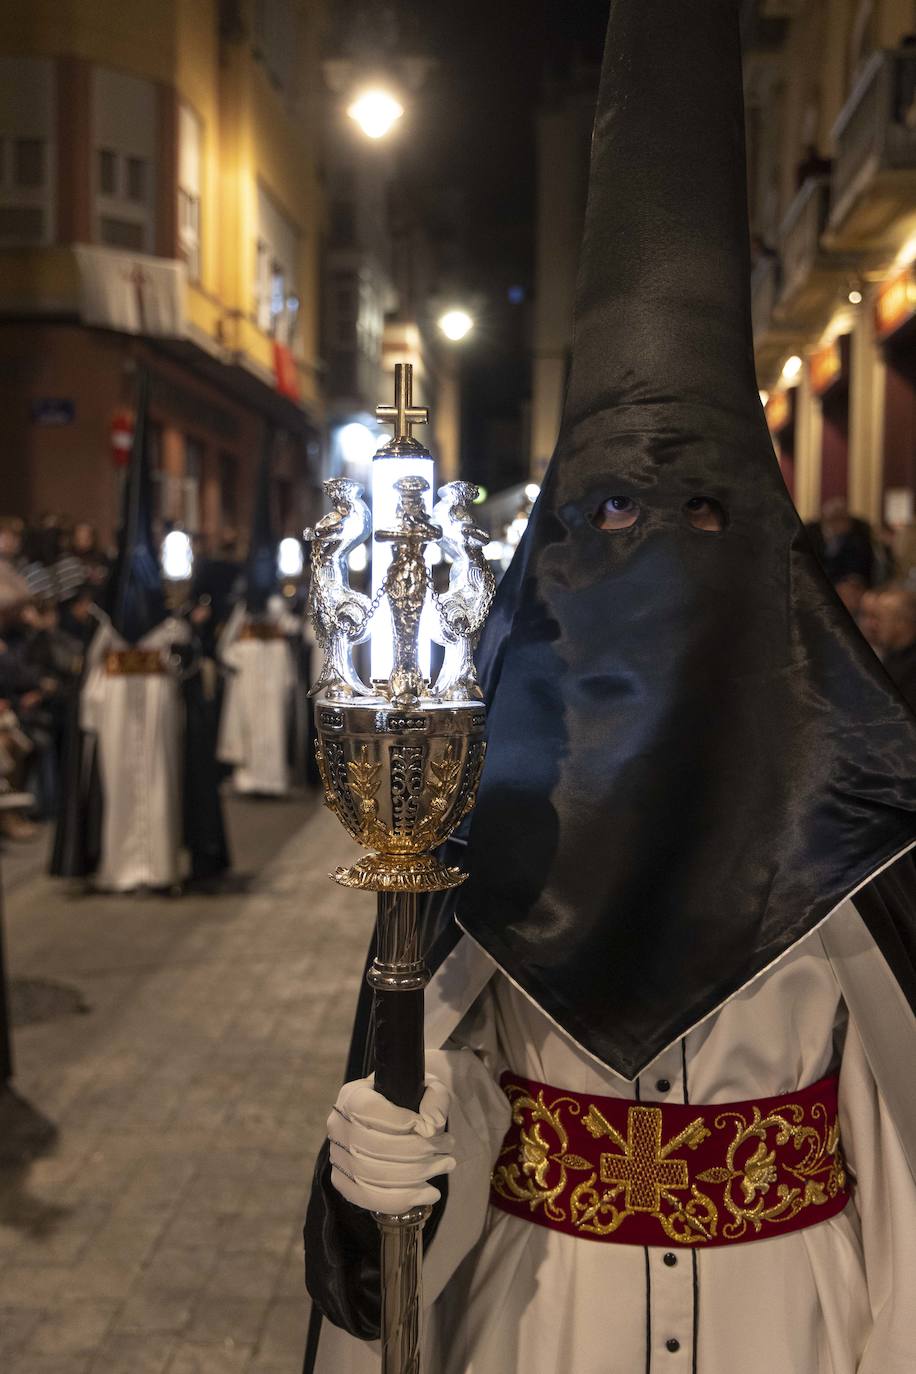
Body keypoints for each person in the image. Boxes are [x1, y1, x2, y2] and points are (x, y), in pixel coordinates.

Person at [304, 5, 916, 1372]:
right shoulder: (485, 798)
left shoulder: (873, 807)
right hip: (541, 1315)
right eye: (609, 516)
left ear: (760, 540)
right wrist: (391, 1151)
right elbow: (450, 1068)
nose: (648, 557)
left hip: (797, 1320)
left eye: (697, 512)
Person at [55, 371, 191, 891]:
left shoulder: (151, 617)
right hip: (135, 696)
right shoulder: (125, 617)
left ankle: (153, 864)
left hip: (141, 697)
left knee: (153, 781)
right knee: (126, 781)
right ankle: (124, 864)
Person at [218, 442, 299, 796]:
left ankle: (273, 778)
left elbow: (290, 630)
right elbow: (226, 645)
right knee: (252, 722)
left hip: (273, 665)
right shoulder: (244, 608)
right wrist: (242, 658)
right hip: (252, 669)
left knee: (273, 723)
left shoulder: (278, 605)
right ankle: (250, 778)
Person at [805, 496, 876, 587]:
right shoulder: (810, 532)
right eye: (834, 519)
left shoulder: (859, 535)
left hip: (846, 584)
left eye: (842, 518)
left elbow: (861, 565)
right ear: (824, 518)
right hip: (815, 582)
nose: (838, 524)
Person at [873, 582, 916, 711]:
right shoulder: (892, 656)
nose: (874, 626)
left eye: (880, 619)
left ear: (901, 623)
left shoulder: (912, 667)